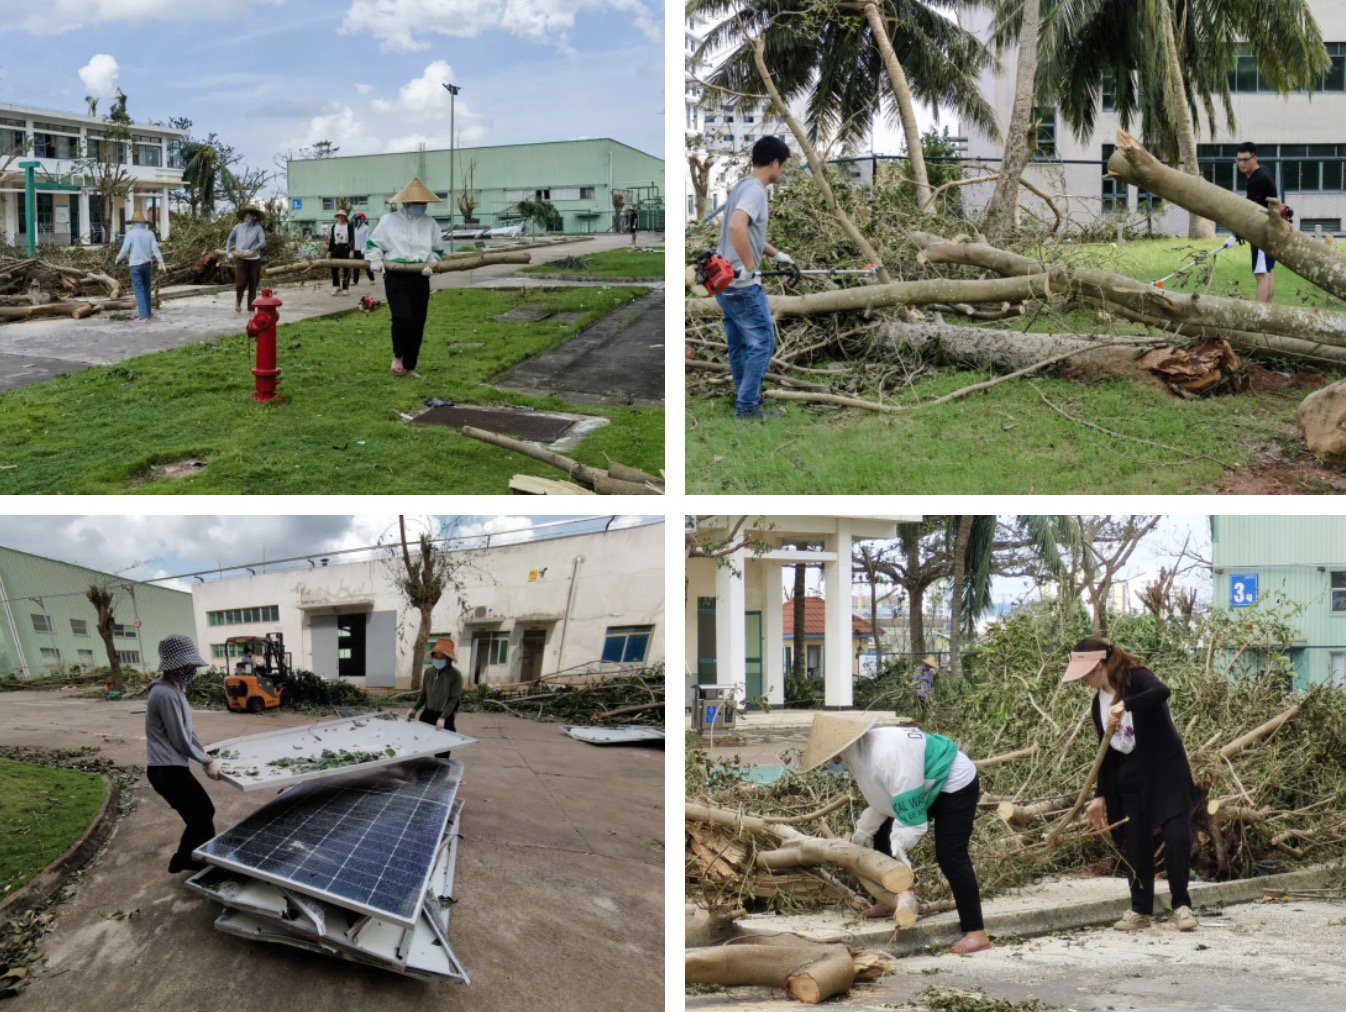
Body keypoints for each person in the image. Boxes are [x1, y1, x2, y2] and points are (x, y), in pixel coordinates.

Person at [798, 713, 990, 955]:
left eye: (830, 755)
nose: (832, 761)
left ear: (838, 748)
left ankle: (976, 932)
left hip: (953, 781)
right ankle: (889, 900)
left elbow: (910, 810)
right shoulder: (859, 752)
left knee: (951, 855)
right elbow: (883, 800)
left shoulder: (885, 753)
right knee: (880, 835)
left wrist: (900, 850)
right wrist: (864, 832)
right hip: (922, 784)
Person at [1062, 637, 1198, 932]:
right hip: (1129, 770)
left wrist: (1125, 704)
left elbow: (1162, 691)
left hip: (1164, 768)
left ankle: (1181, 905)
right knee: (1134, 840)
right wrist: (1100, 796)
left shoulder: (1135, 678)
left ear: (1099, 665)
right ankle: (1140, 910)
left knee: (1177, 836)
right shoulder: (1096, 702)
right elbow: (1105, 750)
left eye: (1086, 673)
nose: (1084, 680)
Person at [715, 135, 795, 419]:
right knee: (762, 342)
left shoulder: (742, 186)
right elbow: (737, 227)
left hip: (724, 283)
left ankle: (742, 396)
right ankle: (747, 407)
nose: (781, 172)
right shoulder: (756, 191)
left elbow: (747, 232)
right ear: (774, 163)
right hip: (742, 284)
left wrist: (776, 255)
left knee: (738, 343)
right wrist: (749, 267)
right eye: (782, 167)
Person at [145, 634, 221, 873]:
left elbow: (188, 732)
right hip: (166, 771)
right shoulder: (166, 695)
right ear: (174, 664)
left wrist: (204, 753)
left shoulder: (176, 690)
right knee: (202, 815)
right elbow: (179, 739)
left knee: (201, 814)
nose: (192, 668)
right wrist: (206, 760)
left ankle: (188, 859)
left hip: (171, 768)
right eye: (188, 664)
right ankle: (187, 860)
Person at [366, 178, 445, 377]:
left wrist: (432, 264)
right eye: (416, 203)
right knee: (402, 316)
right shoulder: (389, 220)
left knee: (418, 320)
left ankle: (410, 365)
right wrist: (375, 259)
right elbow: (374, 244)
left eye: (423, 203)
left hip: (420, 275)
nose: (420, 206)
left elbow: (438, 250)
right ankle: (398, 355)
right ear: (406, 203)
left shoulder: (430, 223)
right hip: (396, 274)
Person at [407, 636, 463, 758]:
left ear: (448, 658)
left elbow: (454, 699)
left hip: (445, 717)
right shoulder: (428, 673)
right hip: (428, 714)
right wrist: (414, 709)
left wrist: (443, 717)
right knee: (421, 747)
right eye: (436, 656)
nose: (438, 659)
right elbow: (424, 694)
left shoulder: (455, 675)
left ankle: (441, 772)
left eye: (441, 656)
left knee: (442, 750)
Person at [1236, 142, 1277, 304]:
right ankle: (1267, 313)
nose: (1241, 164)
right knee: (1268, 271)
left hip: (1262, 232)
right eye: (1238, 160)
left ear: (1254, 158)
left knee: (1261, 274)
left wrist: (1237, 232)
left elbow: (1251, 212)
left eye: (1245, 160)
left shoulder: (1257, 180)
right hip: (1272, 229)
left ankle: (1259, 316)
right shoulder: (1263, 171)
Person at [114, 213, 166, 323]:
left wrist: (117, 259)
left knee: (138, 290)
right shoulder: (150, 233)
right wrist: (162, 263)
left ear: (133, 223)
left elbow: (125, 249)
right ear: (143, 223)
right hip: (147, 265)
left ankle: (142, 316)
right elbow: (155, 250)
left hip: (135, 265)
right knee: (147, 288)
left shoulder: (130, 234)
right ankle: (148, 313)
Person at [225, 204, 266, 313]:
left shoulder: (258, 228)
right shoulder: (238, 227)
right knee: (240, 282)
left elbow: (262, 242)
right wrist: (228, 252)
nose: (250, 217)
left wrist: (253, 248)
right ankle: (238, 301)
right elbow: (229, 240)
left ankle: (251, 306)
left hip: (254, 258)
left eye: (253, 215)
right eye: (248, 214)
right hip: (241, 258)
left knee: (253, 282)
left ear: (255, 216)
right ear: (245, 215)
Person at [329, 208, 354, 295]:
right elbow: (332, 239)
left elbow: (352, 239)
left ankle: (345, 288)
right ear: (337, 217)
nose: (340, 217)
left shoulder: (349, 226)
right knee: (334, 268)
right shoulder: (334, 227)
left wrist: (351, 250)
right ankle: (336, 286)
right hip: (336, 248)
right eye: (339, 216)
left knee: (346, 269)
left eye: (342, 216)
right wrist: (329, 251)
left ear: (345, 217)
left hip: (346, 248)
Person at [351, 212, 373, 286]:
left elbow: (367, 240)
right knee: (356, 266)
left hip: (363, 250)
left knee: (366, 265)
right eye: (356, 219)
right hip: (356, 249)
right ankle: (355, 281)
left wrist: (366, 249)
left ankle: (372, 279)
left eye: (358, 219)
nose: (356, 220)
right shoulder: (355, 228)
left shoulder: (366, 228)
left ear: (362, 219)